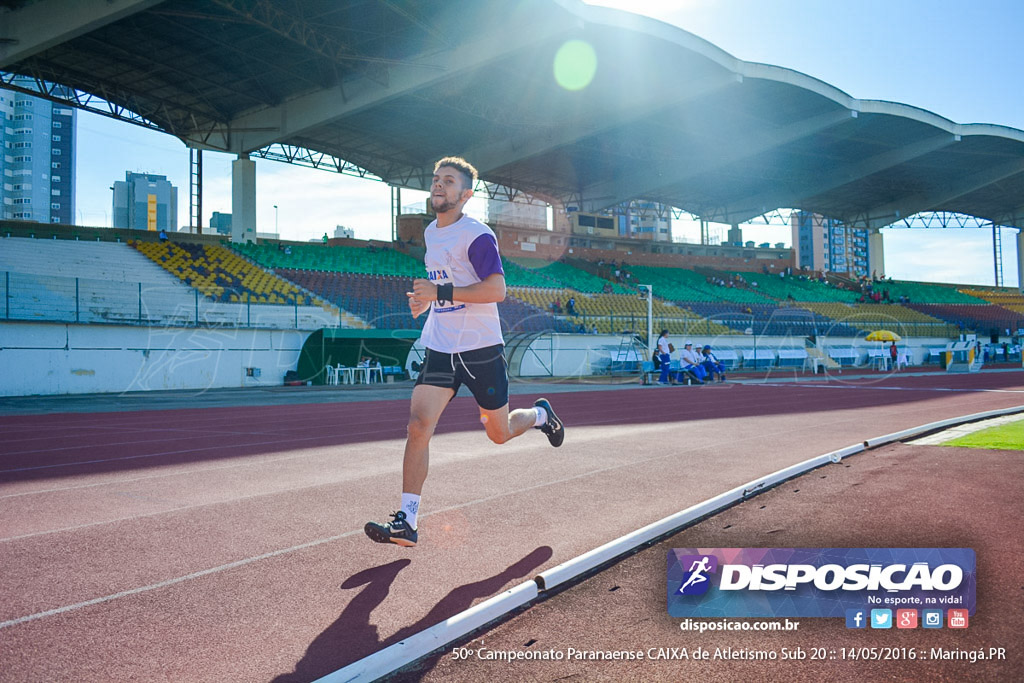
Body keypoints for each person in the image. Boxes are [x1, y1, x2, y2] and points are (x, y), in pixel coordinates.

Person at [364, 157, 564, 548]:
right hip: (440, 345)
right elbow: (444, 283)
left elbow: (496, 291)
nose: (438, 185)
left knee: (499, 432)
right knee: (418, 426)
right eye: (436, 179)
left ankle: (541, 415)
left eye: (448, 181)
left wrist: (439, 293)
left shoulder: (477, 235)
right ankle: (407, 520)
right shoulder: (430, 233)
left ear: (466, 194)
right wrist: (427, 303)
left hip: (480, 348)